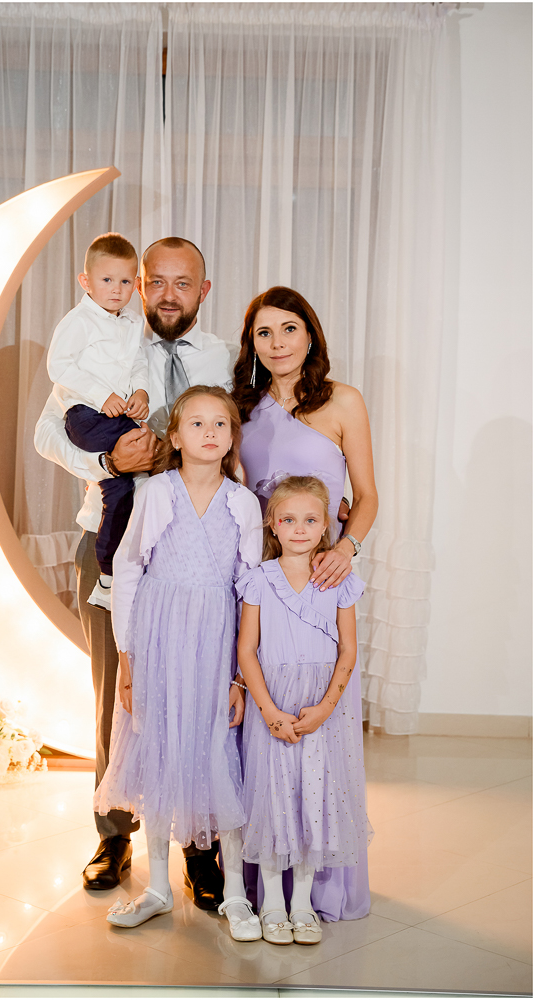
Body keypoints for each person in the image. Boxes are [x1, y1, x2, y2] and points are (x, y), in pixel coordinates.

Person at [33, 239, 236, 905]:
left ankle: (200, 846)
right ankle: (114, 834)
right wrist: (107, 462)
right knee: (113, 698)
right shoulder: (105, 342)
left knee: (198, 696)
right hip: (111, 539)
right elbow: (47, 432)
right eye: (157, 282)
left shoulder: (222, 358)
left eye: (184, 283)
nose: (168, 295)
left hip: (198, 555)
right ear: (140, 285)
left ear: (204, 291)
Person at [94, 387, 263, 933]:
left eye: (220, 424)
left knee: (218, 751)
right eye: (196, 423)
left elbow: (250, 591)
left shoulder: (243, 503)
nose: (209, 432)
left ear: (232, 437)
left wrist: (240, 675)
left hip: (215, 642)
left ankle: (235, 894)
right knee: (159, 749)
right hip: (158, 638)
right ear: (174, 435)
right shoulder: (156, 492)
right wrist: (127, 658)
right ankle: (159, 888)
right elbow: (128, 570)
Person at [233, 285, 378, 922]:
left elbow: (366, 495)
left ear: (310, 334)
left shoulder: (343, 401)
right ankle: (260, 885)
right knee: (261, 731)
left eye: (289, 329)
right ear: (252, 345)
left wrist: (345, 547)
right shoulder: (242, 408)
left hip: (321, 579)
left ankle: (322, 889)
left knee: (322, 736)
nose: (278, 343)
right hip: (259, 580)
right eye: (264, 333)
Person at [236, 475, 372, 945]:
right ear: (273, 524)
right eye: (289, 519)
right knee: (273, 800)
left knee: (314, 800)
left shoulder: (339, 581)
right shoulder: (259, 579)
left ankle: (302, 904)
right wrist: (269, 711)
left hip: (321, 708)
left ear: (325, 525)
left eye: (311, 519)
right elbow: (246, 650)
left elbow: (348, 650)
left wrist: (326, 708)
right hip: (273, 703)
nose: (299, 528)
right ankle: (273, 902)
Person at [47, 233, 149, 609]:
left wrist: (141, 392)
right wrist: (100, 395)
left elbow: (138, 363)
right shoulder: (78, 322)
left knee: (120, 488)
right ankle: (107, 571)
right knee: (149, 450)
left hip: (115, 414)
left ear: (136, 284)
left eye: (125, 281)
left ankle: (109, 575)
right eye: (107, 280)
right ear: (85, 281)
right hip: (86, 415)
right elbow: (58, 365)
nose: (116, 289)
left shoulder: (133, 323)